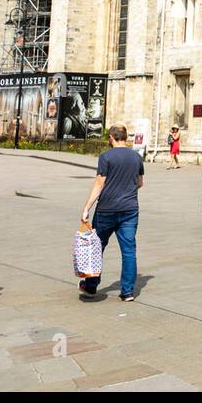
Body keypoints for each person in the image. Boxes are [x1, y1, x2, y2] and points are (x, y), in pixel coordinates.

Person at [78, 125, 144, 302]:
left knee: (97, 247)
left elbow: (99, 184)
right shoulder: (136, 157)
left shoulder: (106, 156)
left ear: (111, 137)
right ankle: (128, 291)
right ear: (125, 137)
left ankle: (91, 286)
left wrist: (86, 208)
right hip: (130, 209)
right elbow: (140, 182)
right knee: (129, 251)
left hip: (107, 209)